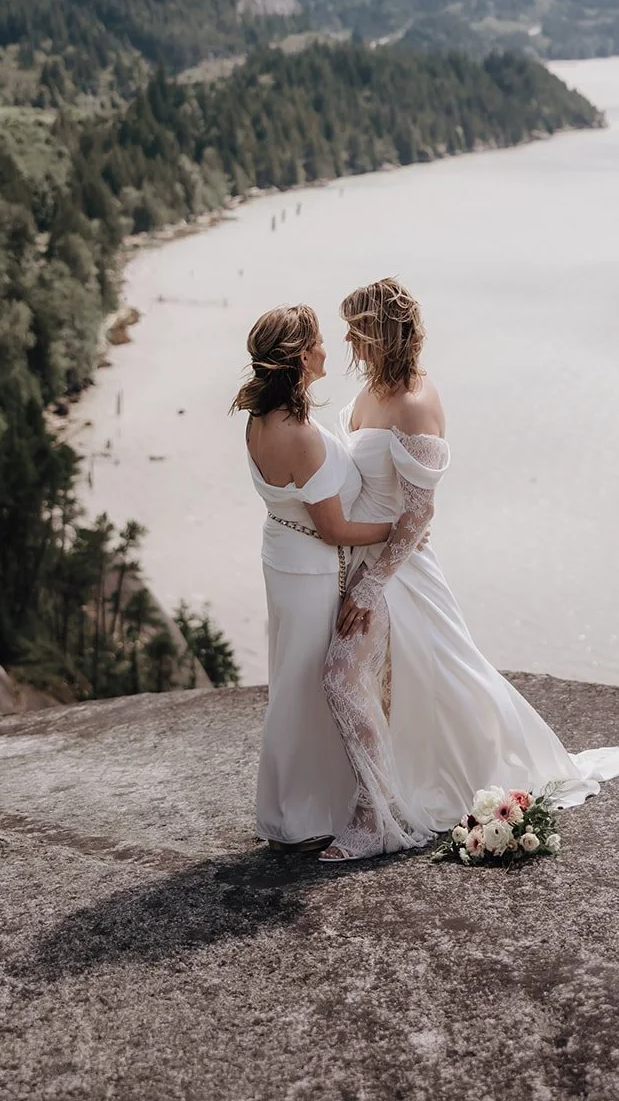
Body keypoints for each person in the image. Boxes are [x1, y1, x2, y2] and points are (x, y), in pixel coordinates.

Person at [319, 277, 619, 862]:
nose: (346, 342)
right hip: (358, 556)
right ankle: (373, 795)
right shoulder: (371, 389)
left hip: (396, 572)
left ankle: (376, 814)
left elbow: (419, 513)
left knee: (384, 678)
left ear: (377, 333)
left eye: (354, 330)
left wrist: (373, 580)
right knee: (392, 688)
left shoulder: (413, 402)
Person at [233, 304, 392, 852]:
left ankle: (289, 807)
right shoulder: (297, 432)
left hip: (282, 555)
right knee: (305, 687)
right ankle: (303, 815)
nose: (328, 350)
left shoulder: (262, 416)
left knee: (290, 681)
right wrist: (400, 529)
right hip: (308, 569)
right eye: (320, 342)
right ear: (302, 357)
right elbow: (334, 528)